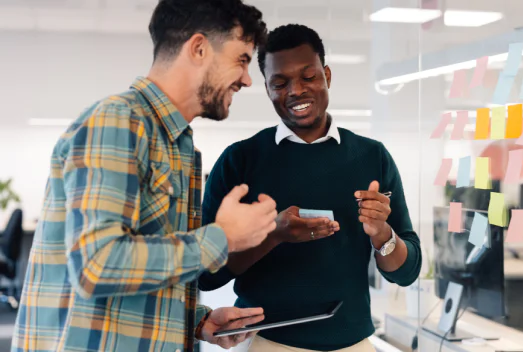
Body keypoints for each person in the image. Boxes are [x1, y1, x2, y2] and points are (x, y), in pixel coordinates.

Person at [11, 1, 276, 351]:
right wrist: (222, 238)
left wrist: (197, 319)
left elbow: (145, 264)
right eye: (241, 59)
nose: (246, 79)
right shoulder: (118, 121)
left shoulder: (178, 146)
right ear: (198, 48)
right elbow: (98, 265)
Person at [199, 24, 422, 352]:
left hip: (353, 342)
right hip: (266, 341)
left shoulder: (372, 157)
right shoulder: (240, 161)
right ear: (267, 89)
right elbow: (205, 275)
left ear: (327, 76)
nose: (296, 91)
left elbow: (406, 273)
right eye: (280, 82)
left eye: (308, 77)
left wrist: (382, 234)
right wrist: (273, 235)